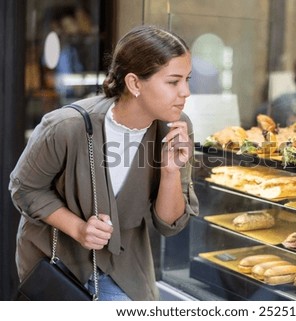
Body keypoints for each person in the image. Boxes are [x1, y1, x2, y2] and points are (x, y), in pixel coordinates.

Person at [9, 25, 199, 301]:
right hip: (58, 266)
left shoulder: (175, 129)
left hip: (125, 270)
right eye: (173, 81)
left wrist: (171, 171)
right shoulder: (66, 126)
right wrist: (79, 229)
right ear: (134, 84)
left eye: (187, 79)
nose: (186, 92)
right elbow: (24, 189)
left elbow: (170, 225)